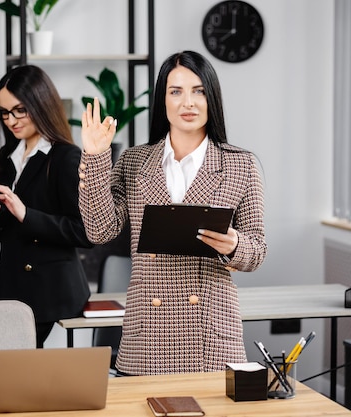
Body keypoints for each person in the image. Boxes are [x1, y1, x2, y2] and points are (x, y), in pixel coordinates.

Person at [77, 51, 267, 375]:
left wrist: (234, 245)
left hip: (210, 333)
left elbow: (257, 250)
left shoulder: (241, 164)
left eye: (198, 91)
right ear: (162, 101)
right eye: (175, 91)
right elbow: (99, 230)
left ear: (212, 97)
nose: (187, 103)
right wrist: (95, 157)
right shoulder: (134, 162)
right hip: (147, 336)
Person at [0, 65, 92, 348]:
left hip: (51, 290)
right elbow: (0, 231)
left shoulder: (66, 157)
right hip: (9, 287)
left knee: (21, 369)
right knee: (0, 367)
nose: (11, 120)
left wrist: (26, 214)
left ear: (41, 103)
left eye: (20, 110)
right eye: (4, 112)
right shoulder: (7, 154)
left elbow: (83, 232)